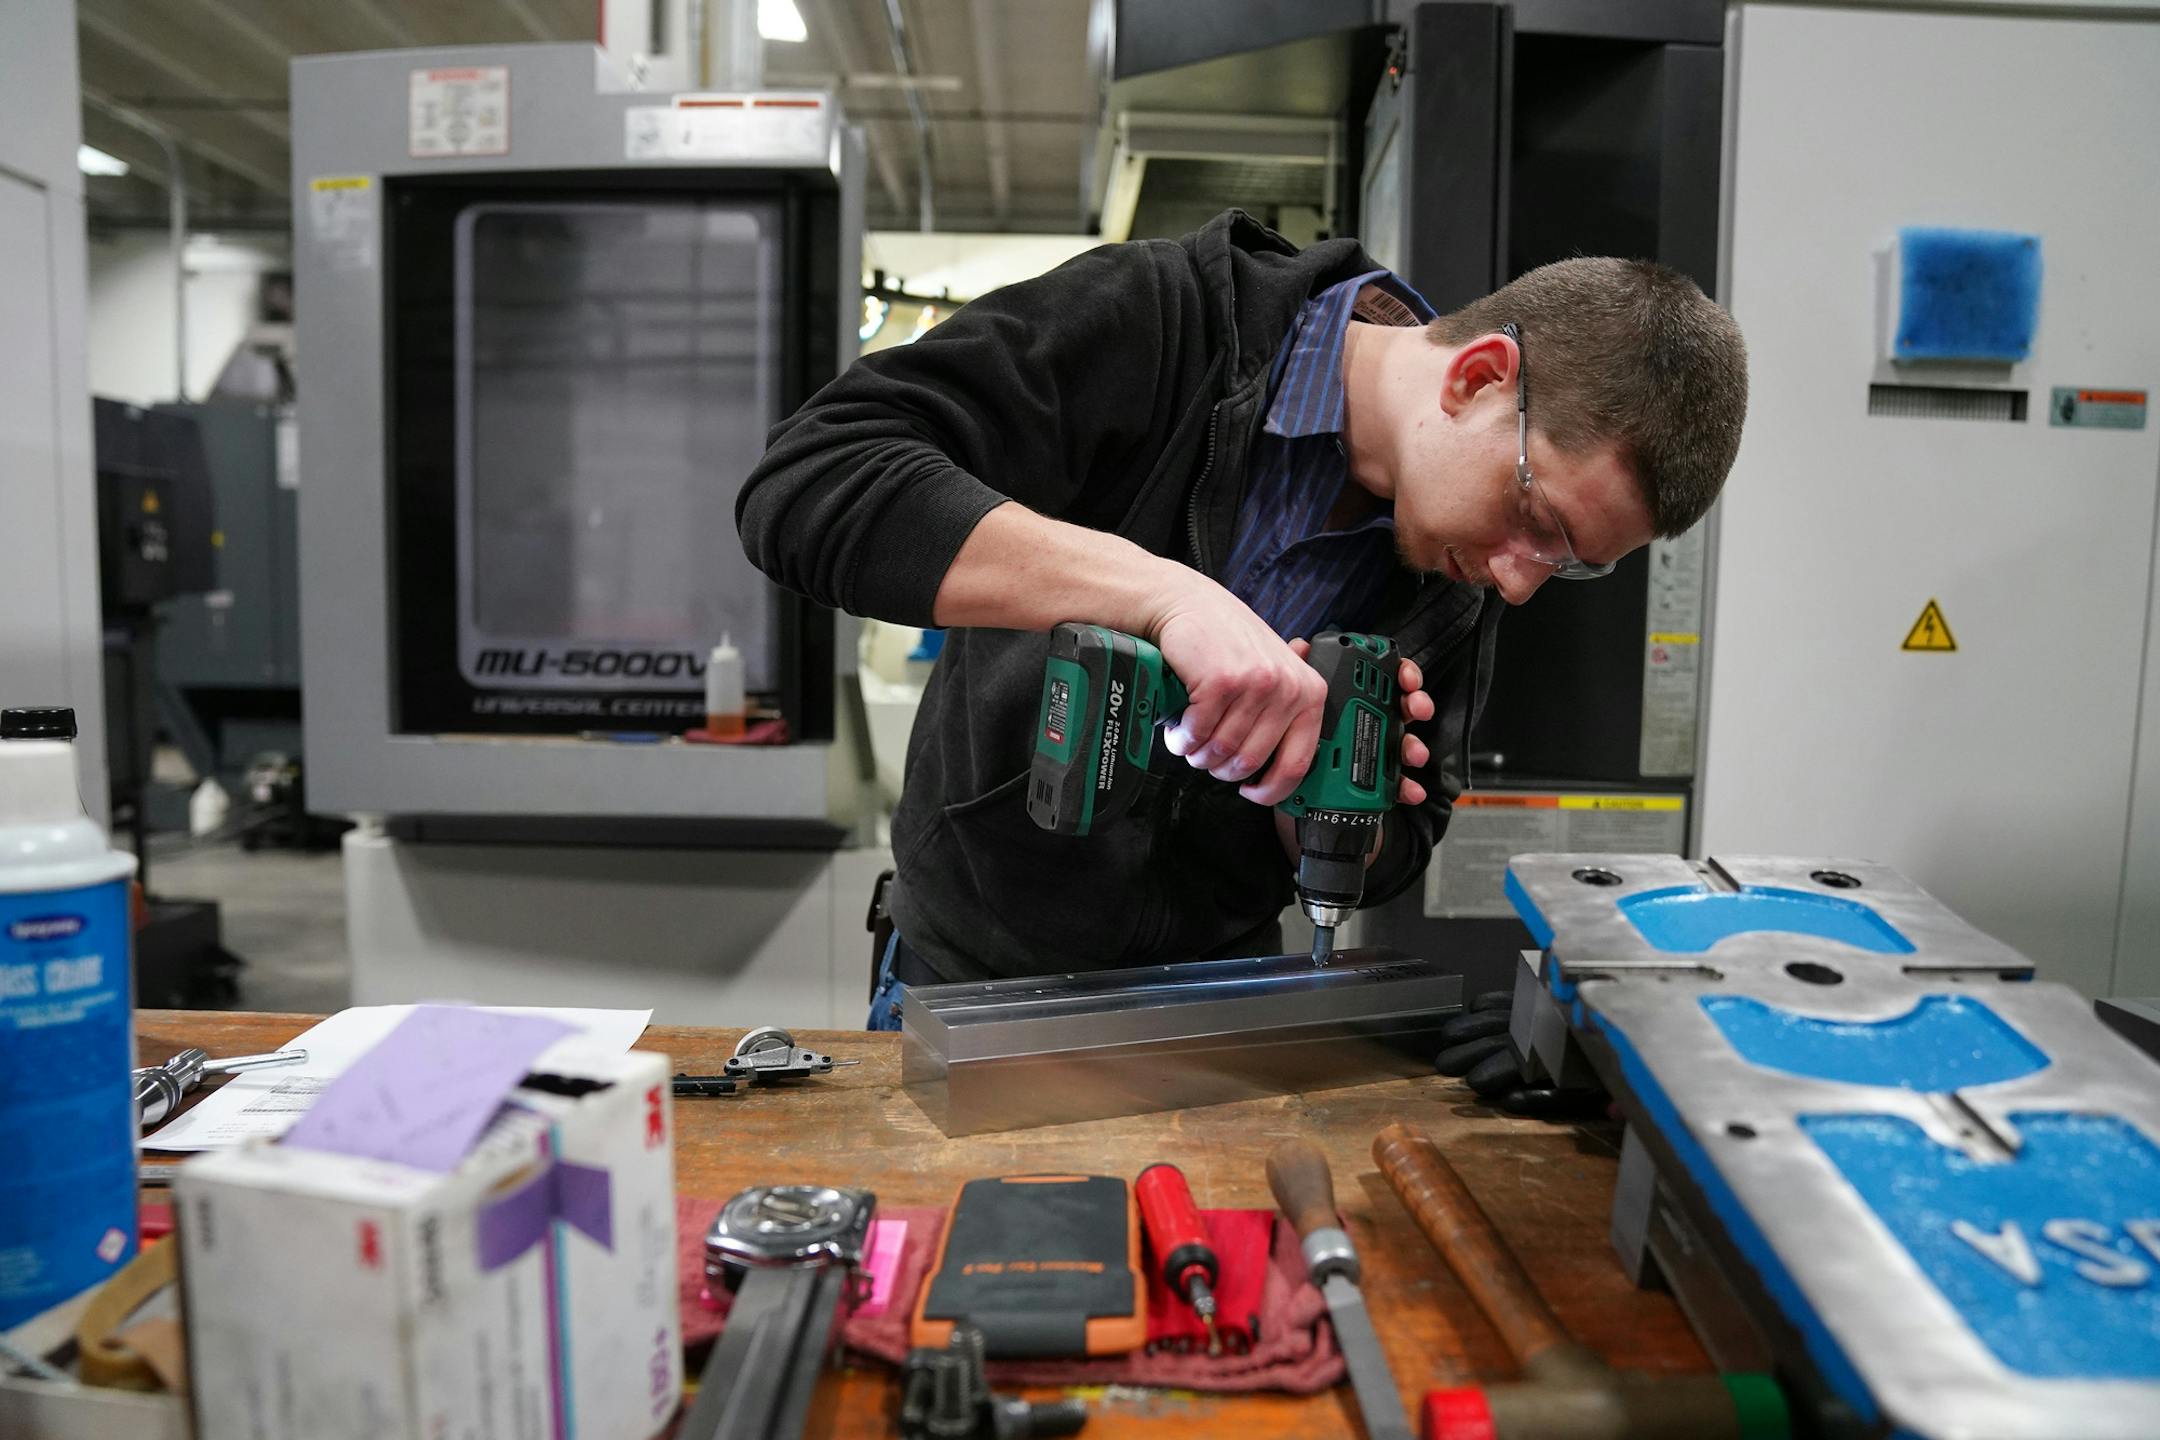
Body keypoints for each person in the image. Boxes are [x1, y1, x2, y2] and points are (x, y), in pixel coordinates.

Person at [739, 209, 1747, 1027]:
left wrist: (1317, 799)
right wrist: (1166, 596)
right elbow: (810, 481)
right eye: (1537, 520)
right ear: (1477, 379)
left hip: (1213, 1011)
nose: (1521, 582)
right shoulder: (1160, 322)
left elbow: (1406, 833)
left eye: (1574, 565)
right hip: (966, 976)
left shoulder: (1456, 556)